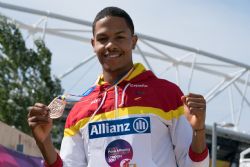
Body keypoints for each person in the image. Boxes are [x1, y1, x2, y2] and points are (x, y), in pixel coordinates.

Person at [27, 7, 209, 167]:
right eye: (103, 38)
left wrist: (199, 130)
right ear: (93, 44)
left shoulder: (167, 94)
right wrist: (44, 143)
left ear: (134, 41)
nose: (111, 45)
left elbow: (193, 165)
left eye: (120, 37)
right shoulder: (79, 110)